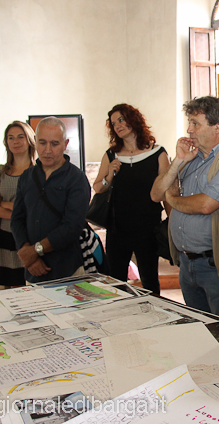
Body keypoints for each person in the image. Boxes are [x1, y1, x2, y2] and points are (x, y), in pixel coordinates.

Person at [151, 96, 219, 318]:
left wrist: (172, 200)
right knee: (199, 325)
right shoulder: (192, 157)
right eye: (189, 122)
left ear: (217, 126)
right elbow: (156, 195)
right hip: (187, 262)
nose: (189, 129)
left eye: (195, 123)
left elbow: (206, 205)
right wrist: (178, 161)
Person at [92, 104, 169, 295]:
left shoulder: (158, 153)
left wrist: (172, 221)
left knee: (150, 280)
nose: (117, 125)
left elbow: (167, 191)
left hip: (148, 228)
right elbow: (98, 187)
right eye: (113, 123)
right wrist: (110, 175)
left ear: (133, 120)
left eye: (121, 119)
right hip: (118, 228)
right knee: (116, 281)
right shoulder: (111, 154)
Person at [11, 117, 90, 283]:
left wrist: (35, 250)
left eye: (54, 144)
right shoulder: (27, 177)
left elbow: (72, 227)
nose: (47, 150)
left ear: (65, 144)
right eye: (42, 143)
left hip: (67, 269)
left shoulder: (76, 179)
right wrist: (28, 253)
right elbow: (17, 219)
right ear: (35, 141)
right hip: (33, 271)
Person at [0, 121, 36, 288]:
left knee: (32, 284)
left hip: (31, 234)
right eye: (11, 138)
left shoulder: (38, 170)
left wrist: (7, 204)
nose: (15, 141)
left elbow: (35, 208)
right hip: (7, 234)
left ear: (29, 140)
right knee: (11, 287)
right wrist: (18, 211)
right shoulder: (0, 172)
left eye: (20, 137)